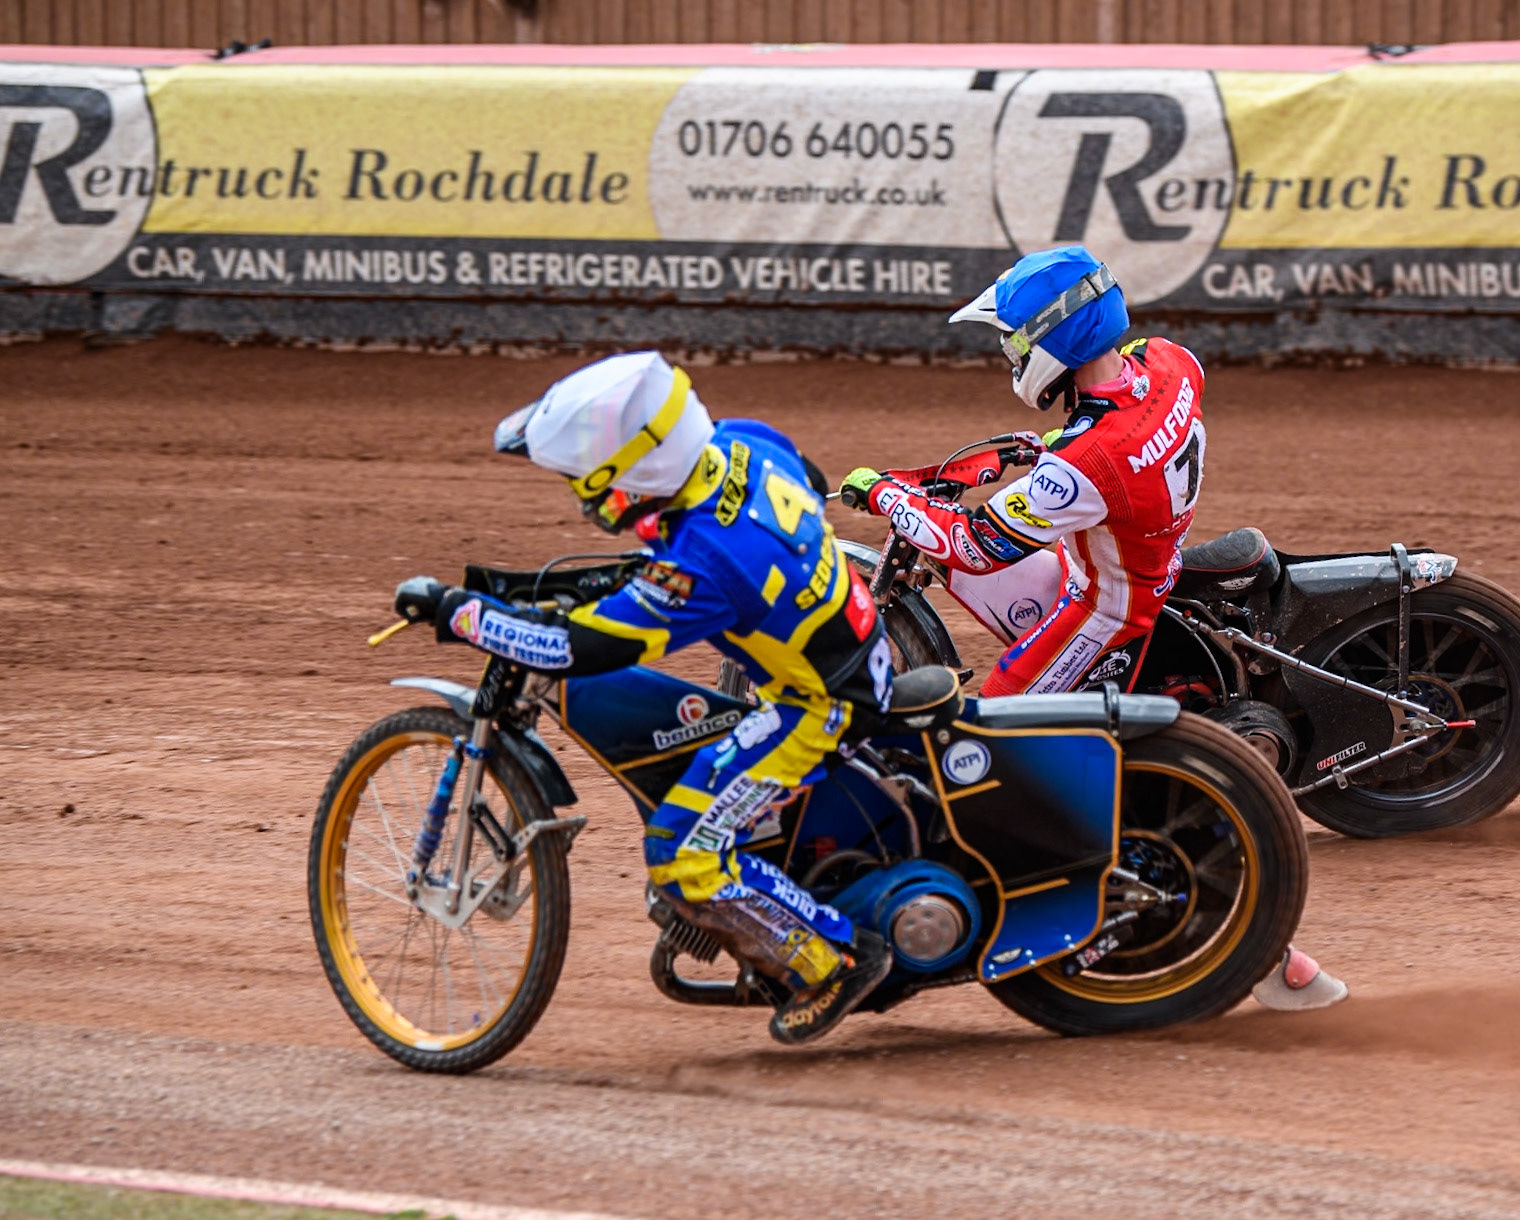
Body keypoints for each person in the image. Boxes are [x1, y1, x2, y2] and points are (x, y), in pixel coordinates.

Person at [841, 245, 1347, 1012]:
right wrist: (1037, 449)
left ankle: (1257, 944)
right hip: (1132, 548)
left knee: (987, 738)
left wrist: (885, 495)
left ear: (1053, 340)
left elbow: (973, 545)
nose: (1006, 353)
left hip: (1108, 607)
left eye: (1013, 339)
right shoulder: (1168, 361)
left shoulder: (1086, 463)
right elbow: (1112, 423)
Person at [391, 350, 896, 1046]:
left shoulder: (705, 565)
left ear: (637, 469)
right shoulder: (738, 442)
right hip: (844, 644)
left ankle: (833, 962)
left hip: (820, 705)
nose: (582, 498)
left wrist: (460, 615)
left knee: (681, 851)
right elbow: (804, 475)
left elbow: (580, 650)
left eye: (586, 483)